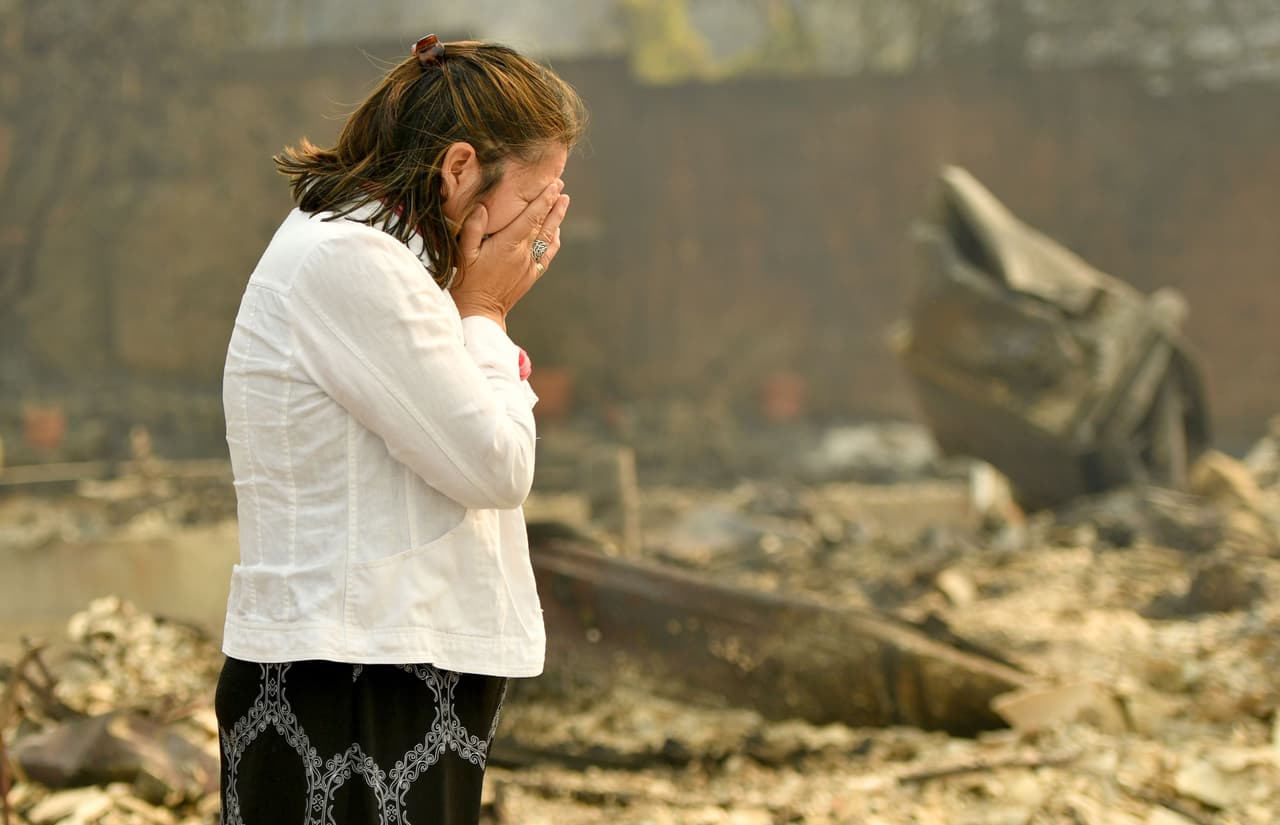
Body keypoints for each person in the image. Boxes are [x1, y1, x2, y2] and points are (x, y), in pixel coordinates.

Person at [213, 35, 585, 825]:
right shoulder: (356, 261)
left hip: (374, 664)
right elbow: (495, 464)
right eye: (539, 195)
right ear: (458, 170)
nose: (546, 226)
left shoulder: (376, 258)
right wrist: (486, 313)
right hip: (355, 680)